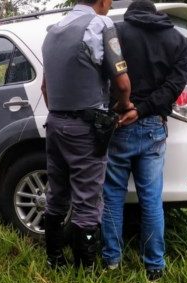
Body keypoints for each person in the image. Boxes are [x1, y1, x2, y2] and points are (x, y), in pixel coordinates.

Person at [101, 0, 187, 280]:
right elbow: (173, 88)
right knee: (152, 199)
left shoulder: (116, 33)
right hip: (154, 126)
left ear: (131, 14)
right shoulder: (180, 41)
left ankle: (112, 263)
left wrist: (127, 107)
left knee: (113, 195)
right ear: (156, 14)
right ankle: (154, 267)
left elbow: (104, 76)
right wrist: (142, 109)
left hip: (119, 122)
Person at [41, 0, 132, 268]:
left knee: (56, 194)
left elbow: (46, 87)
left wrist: (61, 113)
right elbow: (122, 83)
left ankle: (54, 259)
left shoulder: (52, 31)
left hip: (55, 123)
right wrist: (123, 104)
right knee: (87, 199)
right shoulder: (100, 24)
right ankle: (85, 269)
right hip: (86, 127)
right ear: (102, 1)